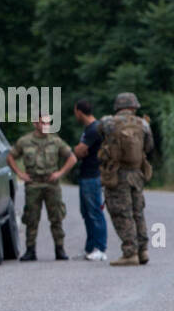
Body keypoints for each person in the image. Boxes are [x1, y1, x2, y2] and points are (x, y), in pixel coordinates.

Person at [7, 113, 76, 261]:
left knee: (56, 217)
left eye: (48, 123)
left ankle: (60, 249)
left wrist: (60, 173)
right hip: (33, 184)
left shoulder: (56, 141)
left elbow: (72, 158)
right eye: (42, 123)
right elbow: (10, 156)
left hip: (52, 184)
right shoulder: (25, 141)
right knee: (31, 218)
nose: (46, 126)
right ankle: (30, 250)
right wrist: (20, 173)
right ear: (35, 124)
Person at [98, 92, 155, 267]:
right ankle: (142, 250)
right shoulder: (143, 124)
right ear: (134, 106)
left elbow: (100, 134)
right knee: (138, 212)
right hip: (137, 174)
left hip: (117, 173)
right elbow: (149, 146)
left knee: (122, 213)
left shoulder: (108, 122)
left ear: (118, 106)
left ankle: (130, 253)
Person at [71, 98, 108, 261]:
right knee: (86, 212)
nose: (75, 115)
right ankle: (90, 248)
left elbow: (79, 151)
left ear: (79, 111)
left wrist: (78, 150)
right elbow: (80, 151)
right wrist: (79, 150)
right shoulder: (88, 129)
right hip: (86, 175)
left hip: (93, 175)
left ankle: (100, 248)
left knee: (94, 212)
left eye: (75, 112)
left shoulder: (94, 129)